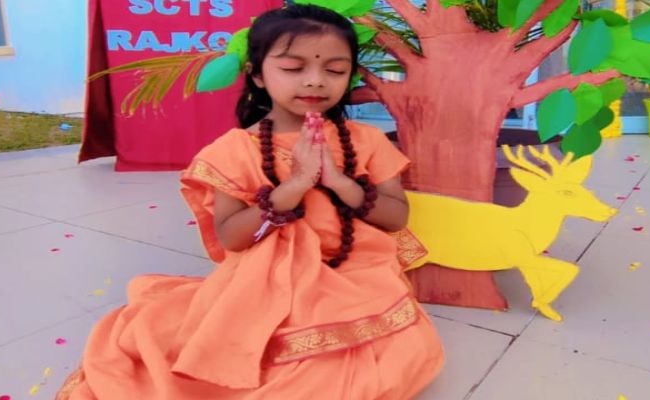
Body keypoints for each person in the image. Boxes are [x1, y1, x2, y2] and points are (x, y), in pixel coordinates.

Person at [58, 4, 445, 399]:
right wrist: (293, 186)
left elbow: (396, 218)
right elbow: (233, 238)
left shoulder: (367, 140)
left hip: (357, 271)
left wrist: (339, 182)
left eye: (334, 70)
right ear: (257, 74)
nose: (315, 81)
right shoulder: (233, 151)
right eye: (293, 68)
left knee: (404, 358)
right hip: (267, 280)